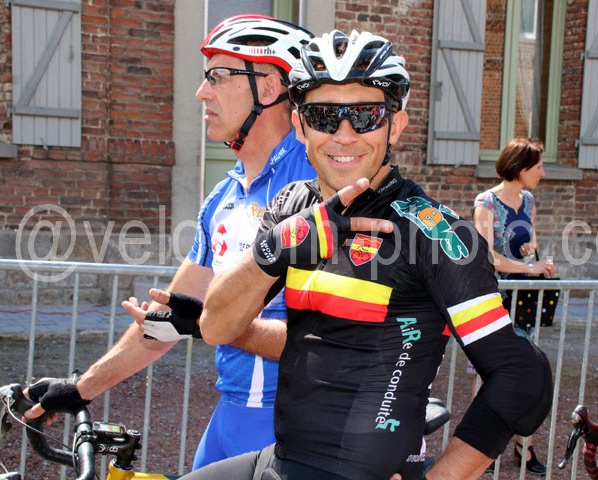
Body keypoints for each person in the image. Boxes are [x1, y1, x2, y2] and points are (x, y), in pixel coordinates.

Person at [168, 29, 553, 480]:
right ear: (300, 126)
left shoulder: (435, 233)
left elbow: (522, 378)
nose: (345, 135)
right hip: (281, 459)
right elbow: (217, 327)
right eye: (324, 116)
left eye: (366, 115)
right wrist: (273, 249)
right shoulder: (293, 205)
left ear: (396, 125)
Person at [23, 15, 317, 470]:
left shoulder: (317, 184)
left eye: (218, 77)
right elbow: (164, 321)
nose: (202, 92)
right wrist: (80, 388)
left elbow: (335, 343)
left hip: (292, 424)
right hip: (230, 418)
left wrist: (208, 324)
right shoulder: (223, 197)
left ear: (269, 87)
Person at [473, 138, 555, 475]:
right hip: (493, 300)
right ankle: (480, 447)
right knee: (488, 373)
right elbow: (487, 256)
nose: (542, 172)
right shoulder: (486, 203)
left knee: (526, 370)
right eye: (538, 166)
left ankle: (524, 446)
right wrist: (529, 268)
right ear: (520, 168)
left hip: (522, 301)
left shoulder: (529, 200)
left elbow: (530, 239)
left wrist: (530, 251)